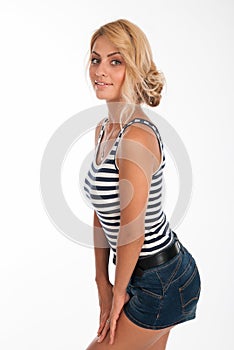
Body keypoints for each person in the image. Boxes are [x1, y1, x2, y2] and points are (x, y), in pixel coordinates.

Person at [83, 19, 201, 350]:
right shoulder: (105, 129)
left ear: (133, 67)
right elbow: (101, 211)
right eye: (96, 59)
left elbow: (131, 230)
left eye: (115, 61)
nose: (101, 70)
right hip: (137, 274)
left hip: (161, 279)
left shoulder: (136, 137)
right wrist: (101, 281)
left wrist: (118, 292)